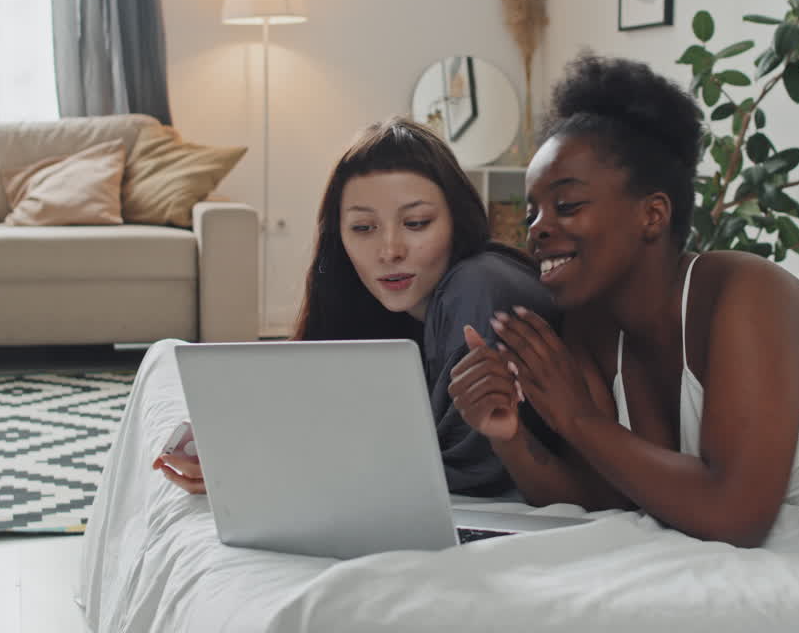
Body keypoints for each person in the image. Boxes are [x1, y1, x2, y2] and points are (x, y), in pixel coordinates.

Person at [448, 55, 799, 548]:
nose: (537, 229)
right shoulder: (590, 328)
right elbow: (602, 496)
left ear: (653, 215)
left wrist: (576, 418)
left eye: (566, 205)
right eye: (531, 213)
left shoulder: (745, 294)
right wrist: (507, 437)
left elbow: (736, 516)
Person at [153, 116, 557, 497]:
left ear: (457, 219)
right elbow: (348, 418)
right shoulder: (402, 310)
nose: (390, 250)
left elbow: (468, 471)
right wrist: (240, 436)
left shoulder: (478, 286)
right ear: (340, 237)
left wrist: (255, 468)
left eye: (416, 223)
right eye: (363, 228)